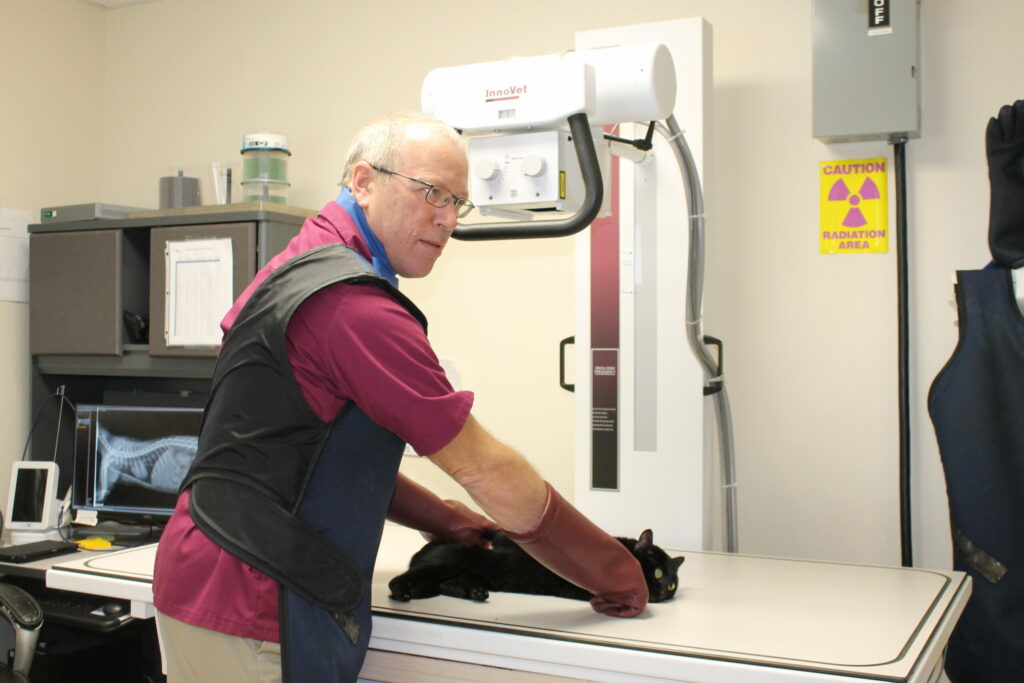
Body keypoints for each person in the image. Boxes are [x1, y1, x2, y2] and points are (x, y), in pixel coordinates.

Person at [152, 111, 647, 683]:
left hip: (208, 565)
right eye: (431, 192)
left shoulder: (294, 269)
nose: (447, 221)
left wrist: (444, 519)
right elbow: (484, 466)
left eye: (457, 203)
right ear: (363, 181)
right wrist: (612, 570)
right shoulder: (353, 309)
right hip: (254, 595)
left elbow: (316, 453)